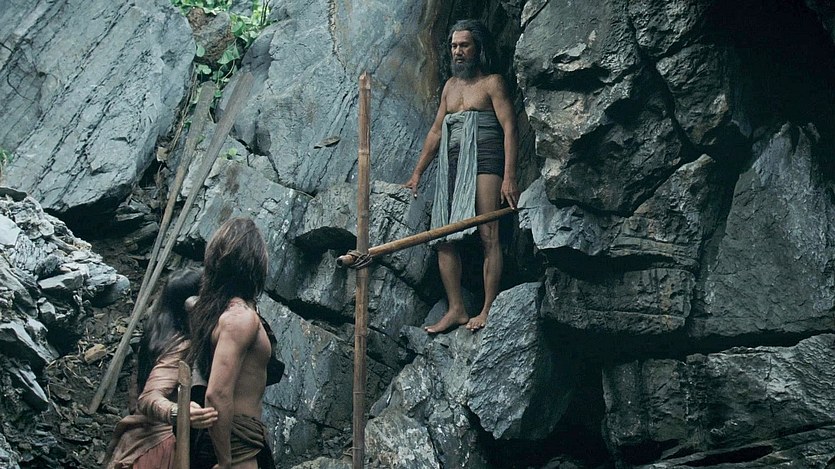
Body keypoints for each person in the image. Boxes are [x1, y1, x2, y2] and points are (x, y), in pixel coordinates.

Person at [403, 19, 520, 333]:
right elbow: (435, 132)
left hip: (486, 159)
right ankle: (456, 308)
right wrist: (417, 173)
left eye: (464, 45)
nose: (458, 51)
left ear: (478, 48)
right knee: (442, 236)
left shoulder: (493, 83)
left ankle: (488, 307)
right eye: (454, 46)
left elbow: (510, 128)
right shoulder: (450, 87)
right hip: (453, 163)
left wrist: (509, 176)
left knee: (488, 233)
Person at [104, 268, 218, 469]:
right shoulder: (180, 346)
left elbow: (134, 396)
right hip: (158, 449)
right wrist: (178, 412)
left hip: (139, 441)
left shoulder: (157, 336)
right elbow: (148, 397)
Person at [188, 217, 275, 469]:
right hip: (234, 445)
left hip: (236, 439)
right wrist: (226, 460)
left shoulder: (213, 310)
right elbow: (217, 394)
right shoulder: (240, 319)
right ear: (255, 264)